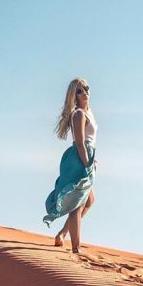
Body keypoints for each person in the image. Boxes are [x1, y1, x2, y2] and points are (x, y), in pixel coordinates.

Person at [43, 77, 98, 254]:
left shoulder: (87, 111)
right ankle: (76, 247)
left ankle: (62, 234)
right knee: (78, 204)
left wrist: (92, 159)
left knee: (89, 200)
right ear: (74, 96)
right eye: (80, 90)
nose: (85, 92)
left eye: (86, 88)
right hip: (79, 157)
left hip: (86, 155)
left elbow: (90, 141)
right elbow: (81, 142)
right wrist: (87, 164)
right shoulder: (79, 114)